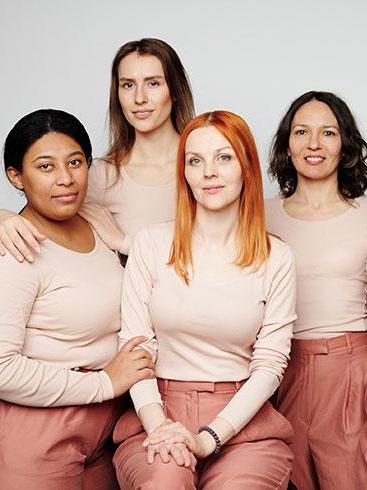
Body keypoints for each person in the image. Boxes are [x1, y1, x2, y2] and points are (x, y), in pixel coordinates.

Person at [112, 110, 296, 489]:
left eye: (224, 157)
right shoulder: (150, 243)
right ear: (184, 174)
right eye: (196, 161)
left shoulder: (277, 257)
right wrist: (160, 425)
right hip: (156, 410)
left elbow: (270, 364)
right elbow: (136, 348)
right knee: (163, 482)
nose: (209, 171)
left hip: (243, 422)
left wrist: (207, 438)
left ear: (246, 167)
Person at [0, 109, 155, 489]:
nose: (65, 179)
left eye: (75, 162)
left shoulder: (97, 221)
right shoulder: (14, 249)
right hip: (38, 431)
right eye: (45, 167)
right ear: (15, 176)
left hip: (105, 429)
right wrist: (104, 383)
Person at [0, 38, 195, 262]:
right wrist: (3, 218)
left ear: (175, 90)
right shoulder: (98, 176)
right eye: (128, 85)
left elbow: (224, 257)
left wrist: (124, 242)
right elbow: (41, 215)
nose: (139, 98)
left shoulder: (206, 169)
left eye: (153, 83)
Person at [266, 90, 367, 490]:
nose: (313, 144)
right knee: (283, 477)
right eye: (301, 131)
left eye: (327, 132)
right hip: (277, 367)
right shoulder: (260, 212)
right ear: (286, 144)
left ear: (344, 144)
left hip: (349, 368)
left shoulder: (365, 215)